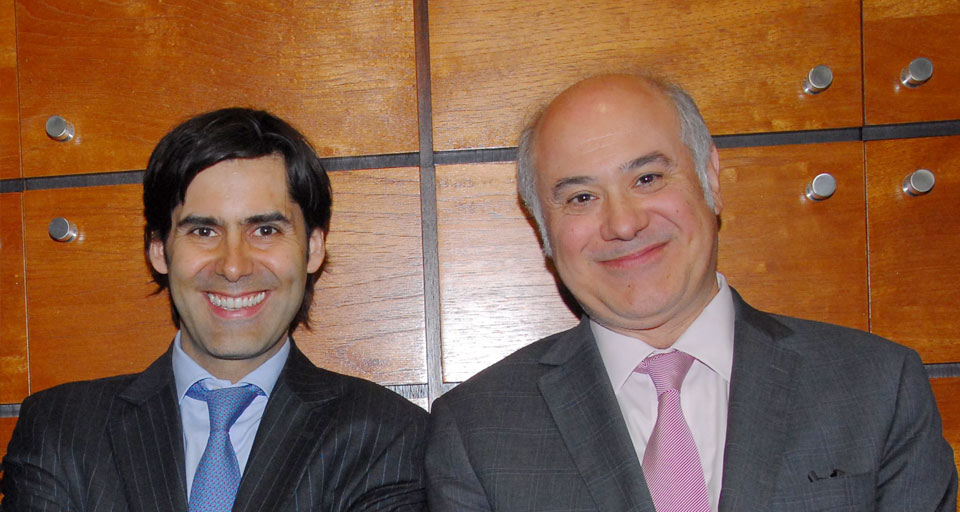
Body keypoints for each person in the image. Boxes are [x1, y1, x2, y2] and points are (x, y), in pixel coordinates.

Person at [424, 74, 957, 511]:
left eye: (648, 179)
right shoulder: (479, 432)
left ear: (710, 179)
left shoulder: (876, 387)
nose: (623, 223)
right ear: (542, 229)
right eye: (581, 197)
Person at [2, 108, 428, 511]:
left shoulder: (388, 434)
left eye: (265, 230)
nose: (233, 266)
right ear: (158, 250)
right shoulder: (62, 429)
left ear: (313, 248)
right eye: (204, 231)